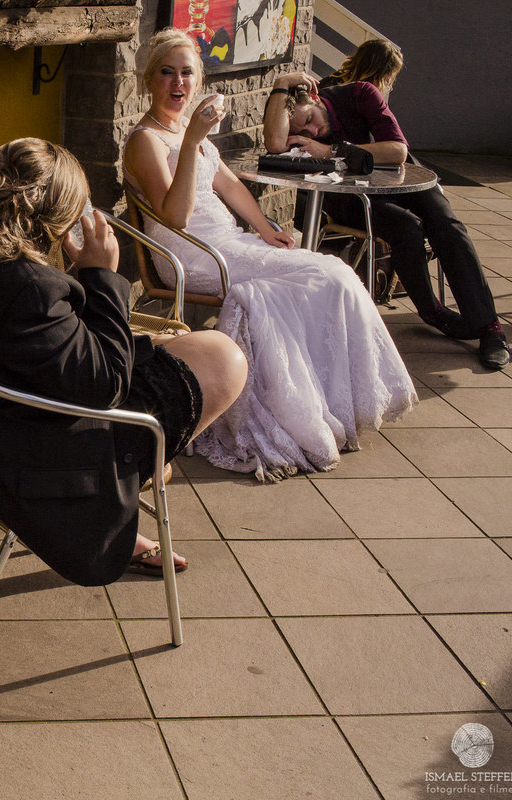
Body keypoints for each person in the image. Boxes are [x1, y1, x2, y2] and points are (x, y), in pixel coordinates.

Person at [0, 137, 248, 585]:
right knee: (225, 359)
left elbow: (8, 330)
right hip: (33, 451)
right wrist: (101, 275)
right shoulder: (29, 288)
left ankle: (126, 496)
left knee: (180, 346)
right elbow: (106, 387)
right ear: (51, 222)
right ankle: (118, 495)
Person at [122, 28, 417, 481]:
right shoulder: (146, 140)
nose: (177, 83)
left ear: (197, 80)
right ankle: (282, 413)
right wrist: (192, 141)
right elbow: (176, 217)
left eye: (186, 73)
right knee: (321, 276)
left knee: (331, 273)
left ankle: (325, 402)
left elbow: (230, 185)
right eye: (167, 73)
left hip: (229, 241)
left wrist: (265, 229)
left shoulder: (186, 130)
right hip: (192, 255)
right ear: (149, 80)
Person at [263, 69, 510, 369]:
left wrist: (331, 151)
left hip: (402, 178)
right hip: (353, 197)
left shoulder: (360, 95)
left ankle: (489, 329)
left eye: (311, 121)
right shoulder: (296, 122)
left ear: (315, 98)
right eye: (303, 132)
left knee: (446, 224)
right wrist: (280, 84)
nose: (313, 133)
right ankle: (432, 311)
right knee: (405, 228)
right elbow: (275, 144)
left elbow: (397, 150)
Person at [320, 38, 403, 94]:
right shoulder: (363, 98)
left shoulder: (335, 79)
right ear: (377, 76)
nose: (389, 83)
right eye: (388, 78)